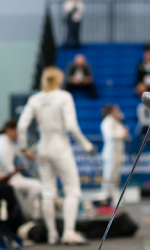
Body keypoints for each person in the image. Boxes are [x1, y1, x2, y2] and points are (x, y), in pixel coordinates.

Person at [17, 67, 95, 245]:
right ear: (59, 80)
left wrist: (24, 148)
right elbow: (71, 126)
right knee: (72, 190)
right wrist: (86, 145)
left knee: (48, 192)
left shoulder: (35, 99)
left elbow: (22, 125)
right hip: (60, 147)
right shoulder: (64, 96)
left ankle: (52, 235)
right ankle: (68, 232)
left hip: (42, 147)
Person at [0, 119, 41, 220]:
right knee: (37, 186)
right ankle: (29, 216)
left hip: (10, 177)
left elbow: (19, 151)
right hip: (6, 179)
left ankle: (29, 215)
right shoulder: (3, 144)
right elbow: (8, 170)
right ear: (9, 130)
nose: (18, 135)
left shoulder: (8, 141)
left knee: (35, 186)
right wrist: (16, 171)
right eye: (17, 131)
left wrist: (28, 154)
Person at [100, 104, 128, 206]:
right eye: (116, 110)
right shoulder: (107, 121)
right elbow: (110, 135)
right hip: (110, 154)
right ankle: (106, 198)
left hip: (117, 153)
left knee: (115, 177)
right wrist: (122, 133)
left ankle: (112, 199)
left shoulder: (116, 122)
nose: (118, 112)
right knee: (109, 177)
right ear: (111, 111)